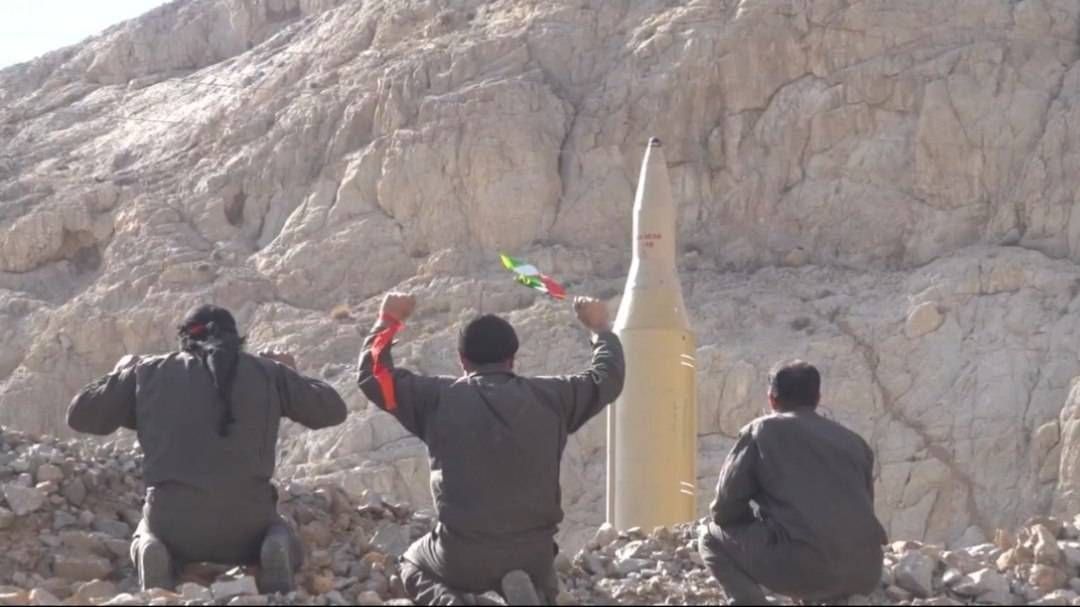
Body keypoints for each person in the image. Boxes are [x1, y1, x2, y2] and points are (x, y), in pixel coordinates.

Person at [357, 292, 624, 606]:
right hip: (534, 552)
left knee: (412, 562)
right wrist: (600, 329)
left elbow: (374, 376)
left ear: (462, 360)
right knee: (537, 569)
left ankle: (453, 601)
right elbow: (608, 378)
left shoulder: (436, 398)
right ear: (512, 358)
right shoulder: (554, 396)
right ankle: (539, 590)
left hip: (461, 555)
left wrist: (388, 320)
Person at [67, 305, 348, 593]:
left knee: (147, 531)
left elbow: (80, 415)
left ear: (184, 340)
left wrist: (120, 374)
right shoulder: (269, 373)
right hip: (249, 528)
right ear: (237, 340)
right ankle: (274, 547)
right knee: (279, 528)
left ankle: (153, 548)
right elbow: (333, 410)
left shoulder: (148, 372)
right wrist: (290, 372)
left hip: (172, 526)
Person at [699, 360, 888, 605]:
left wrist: (760, 525)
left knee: (710, 535)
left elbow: (724, 510)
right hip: (866, 572)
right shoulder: (855, 442)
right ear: (818, 398)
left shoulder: (761, 431)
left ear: (772, 399)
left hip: (804, 570)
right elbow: (861, 509)